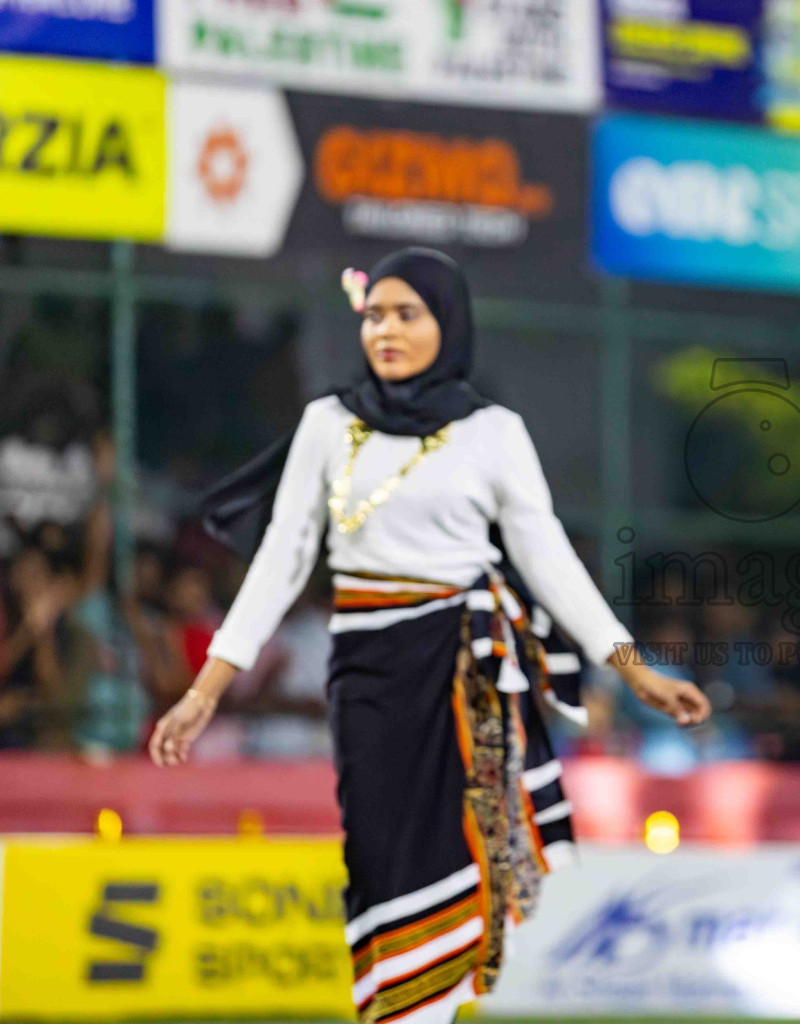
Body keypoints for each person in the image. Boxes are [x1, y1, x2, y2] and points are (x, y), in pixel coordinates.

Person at [147, 247, 710, 1024]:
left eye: (408, 314)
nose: (387, 329)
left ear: (448, 322)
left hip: (463, 664)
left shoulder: (494, 432)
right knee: (378, 859)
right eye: (375, 314)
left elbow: (546, 559)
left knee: (457, 855)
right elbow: (281, 559)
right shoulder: (326, 424)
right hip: (367, 667)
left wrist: (633, 668)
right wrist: (206, 689)